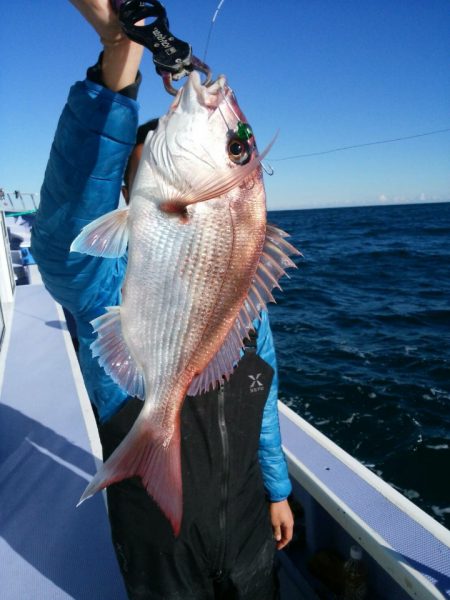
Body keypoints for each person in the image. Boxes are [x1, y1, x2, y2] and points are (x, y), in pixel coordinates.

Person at [31, 1, 294, 598]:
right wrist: (118, 59)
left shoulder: (241, 292)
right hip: (159, 539)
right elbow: (63, 231)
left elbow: (266, 389)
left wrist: (277, 490)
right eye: (140, 157)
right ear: (125, 188)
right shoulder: (99, 280)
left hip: (249, 523)